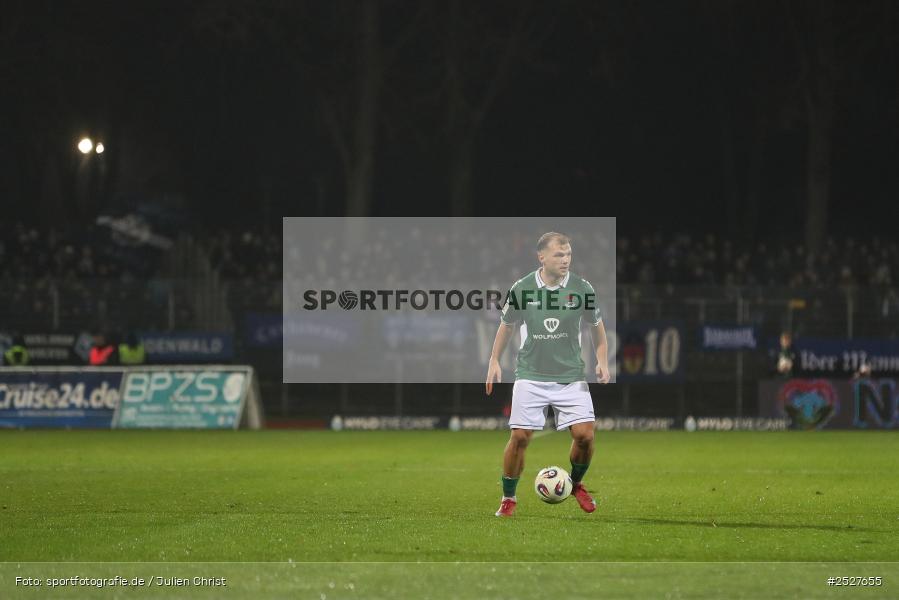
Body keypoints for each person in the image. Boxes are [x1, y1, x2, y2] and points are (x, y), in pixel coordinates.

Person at [486, 232, 611, 517]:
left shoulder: (582, 288)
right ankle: (508, 498)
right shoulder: (522, 288)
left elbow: (597, 329)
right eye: (559, 255)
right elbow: (507, 325)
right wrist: (494, 359)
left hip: (570, 375)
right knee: (520, 437)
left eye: (568, 255)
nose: (565, 260)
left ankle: (575, 484)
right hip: (531, 374)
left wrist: (602, 360)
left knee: (585, 436)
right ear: (541, 257)